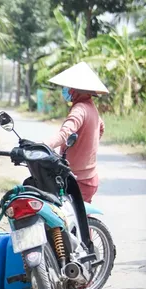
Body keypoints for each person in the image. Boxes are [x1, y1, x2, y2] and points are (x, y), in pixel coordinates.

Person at [46, 61, 108, 203]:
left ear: (75, 90)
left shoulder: (80, 109)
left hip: (79, 179)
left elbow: (65, 133)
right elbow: (101, 128)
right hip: (89, 176)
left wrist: (45, 144)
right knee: (82, 221)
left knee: (70, 219)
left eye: (68, 87)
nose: (66, 90)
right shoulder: (91, 107)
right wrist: (87, 147)